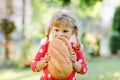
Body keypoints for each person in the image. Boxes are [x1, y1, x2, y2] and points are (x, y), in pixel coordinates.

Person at [31, 9, 88, 80]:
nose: (60, 34)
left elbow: (84, 70)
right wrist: (44, 61)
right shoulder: (46, 46)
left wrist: (74, 62)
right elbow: (33, 67)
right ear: (51, 29)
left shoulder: (75, 47)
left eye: (65, 31)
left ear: (73, 32)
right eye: (56, 30)